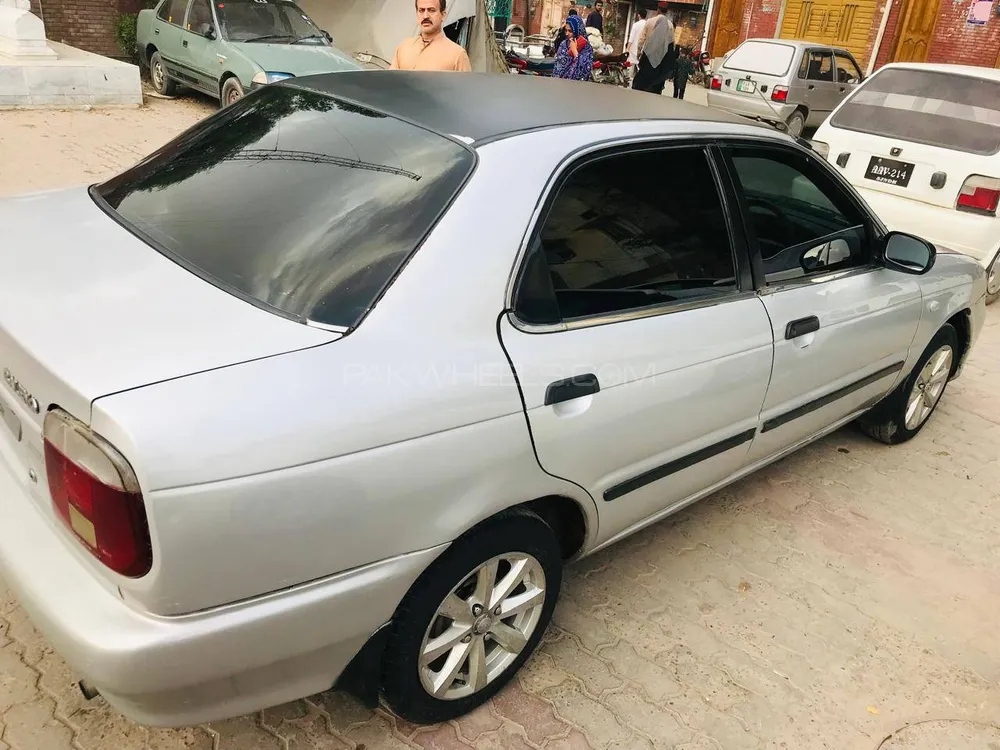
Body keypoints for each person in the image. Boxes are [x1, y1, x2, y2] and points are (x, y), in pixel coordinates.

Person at [390, 0, 472, 72]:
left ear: (443, 15)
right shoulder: (404, 48)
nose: (425, 16)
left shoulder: (457, 55)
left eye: (431, 10)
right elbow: (391, 84)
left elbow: (465, 89)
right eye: (421, 10)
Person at [632, 2, 675, 95]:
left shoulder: (650, 21)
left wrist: (639, 53)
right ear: (666, 11)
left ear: (658, 9)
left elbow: (641, 40)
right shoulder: (670, 25)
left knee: (643, 80)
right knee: (656, 83)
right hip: (661, 58)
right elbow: (671, 44)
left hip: (647, 55)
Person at [552, 14, 595, 81]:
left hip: (577, 87)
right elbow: (558, 69)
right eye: (566, 30)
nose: (566, 34)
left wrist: (575, 52)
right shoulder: (564, 44)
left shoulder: (587, 48)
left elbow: (585, 71)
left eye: (570, 31)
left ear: (578, 30)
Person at [625, 7, 647, 83]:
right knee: (640, 65)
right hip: (643, 48)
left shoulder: (636, 25)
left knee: (629, 64)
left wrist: (627, 49)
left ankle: (626, 78)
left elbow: (631, 38)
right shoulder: (647, 25)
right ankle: (640, 80)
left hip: (633, 48)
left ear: (638, 15)